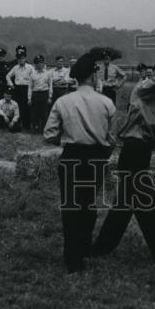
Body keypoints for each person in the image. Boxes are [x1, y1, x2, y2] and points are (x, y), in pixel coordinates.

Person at [92, 42, 155, 265]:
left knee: (125, 204)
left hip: (140, 149)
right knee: (146, 201)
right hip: (134, 149)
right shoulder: (144, 88)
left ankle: (102, 248)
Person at [44, 52, 116, 273]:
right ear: (93, 77)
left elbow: (49, 134)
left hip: (72, 156)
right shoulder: (106, 103)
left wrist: (67, 136)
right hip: (96, 157)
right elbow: (112, 138)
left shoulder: (63, 101)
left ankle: (72, 257)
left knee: (71, 206)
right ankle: (84, 247)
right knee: (88, 203)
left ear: (76, 78)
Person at [6, 45, 32, 125]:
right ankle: (17, 123)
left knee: (26, 106)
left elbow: (34, 77)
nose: (21, 60)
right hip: (17, 88)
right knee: (17, 106)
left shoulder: (30, 67)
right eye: (19, 58)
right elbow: (7, 76)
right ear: (17, 59)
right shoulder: (15, 67)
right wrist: (11, 84)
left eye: (22, 58)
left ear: (25, 58)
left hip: (26, 88)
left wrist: (32, 86)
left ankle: (26, 124)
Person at [29, 55, 53, 133]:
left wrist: (50, 97)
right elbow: (30, 87)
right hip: (35, 94)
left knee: (44, 112)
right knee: (35, 112)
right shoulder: (32, 74)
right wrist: (29, 98)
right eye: (38, 63)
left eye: (41, 63)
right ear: (35, 64)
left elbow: (50, 86)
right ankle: (36, 127)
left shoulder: (48, 74)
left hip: (44, 94)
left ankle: (44, 128)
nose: (40, 65)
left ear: (43, 64)